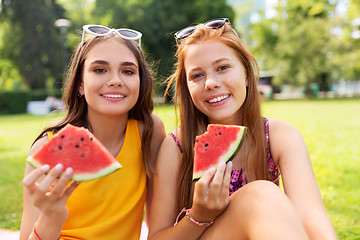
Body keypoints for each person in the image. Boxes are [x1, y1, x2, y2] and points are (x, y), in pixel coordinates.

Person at [148, 18, 337, 239]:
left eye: (222, 67)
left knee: (264, 196)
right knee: (262, 194)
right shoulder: (177, 147)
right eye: (197, 75)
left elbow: (311, 219)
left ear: (247, 74)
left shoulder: (279, 137)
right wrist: (199, 216)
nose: (211, 83)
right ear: (187, 88)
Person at [20, 25, 165, 240]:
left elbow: (157, 225)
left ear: (140, 81)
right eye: (99, 70)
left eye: (128, 71)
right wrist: (51, 218)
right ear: (80, 83)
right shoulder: (46, 147)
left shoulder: (149, 132)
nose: (115, 80)